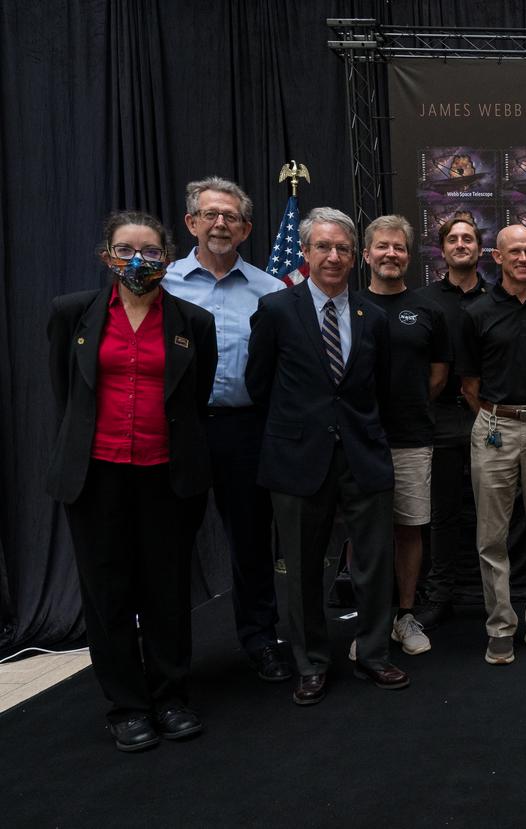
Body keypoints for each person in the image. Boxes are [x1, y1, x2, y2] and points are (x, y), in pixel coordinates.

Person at [47, 210, 216, 751]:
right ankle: (127, 706)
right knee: (107, 594)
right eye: (125, 250)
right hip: (96, 478)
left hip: (166, 477)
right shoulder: (71, 314)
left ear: (168, 259)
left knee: (166, 591)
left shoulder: (194, 323)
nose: (137, 260)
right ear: (107, 257)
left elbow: (196, 397)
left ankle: (170, 697)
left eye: (150, 251)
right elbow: (65, 391)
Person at [246, 206, 408, 706]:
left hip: (363, 456)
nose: (333, 256)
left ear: (354, 256)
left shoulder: (373, 317)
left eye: (342, 248)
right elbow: (259, 384)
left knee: (375, 564)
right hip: (298, 460)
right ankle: (311, 662)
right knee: (302, 567)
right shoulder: (276, 309)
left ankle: (375, 654)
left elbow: (378, 389)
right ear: (307, 253)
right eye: (323, 247)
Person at [162, 176, 290, 683]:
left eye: (231, 217)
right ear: (191, 222)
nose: (220, 223)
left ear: (246, 228)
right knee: (170, 544)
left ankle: (261, 640)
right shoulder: (162, 283)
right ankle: (170, 657)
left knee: (254, 543)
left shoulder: (271, 289)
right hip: (181, 431)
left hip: (246, 430)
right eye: (210, 215)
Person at [457, 224, 526, 665]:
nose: (524, 257)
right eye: (515, 251)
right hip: (494, 427)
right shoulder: (477, 313)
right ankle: (501, 625)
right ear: (496, 257)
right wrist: (496, 418)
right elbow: (468, 384)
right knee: (492, 536)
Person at [359, 215, 450, 656]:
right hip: (360, 439)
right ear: (366, 255)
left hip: (413, 435)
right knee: (365, 533)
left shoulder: (429, 310)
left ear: (409, 257)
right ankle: (369, 623)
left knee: (410, 529)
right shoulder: (349, 305)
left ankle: (405, 615)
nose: (390, 254)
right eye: (382, 247)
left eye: (398, 247)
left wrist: (407, 402)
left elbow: (438, 375)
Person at [420, 216, 488, 631]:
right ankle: (440, 595)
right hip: (441, 419)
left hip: (489, 417)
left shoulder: (499, 298)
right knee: (442, 514)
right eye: (453, 239)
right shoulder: (424, 301)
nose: (461, 245)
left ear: (480, 249)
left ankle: (496, 594)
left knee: (494, 514)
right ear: (442, 250)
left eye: (469, 239)